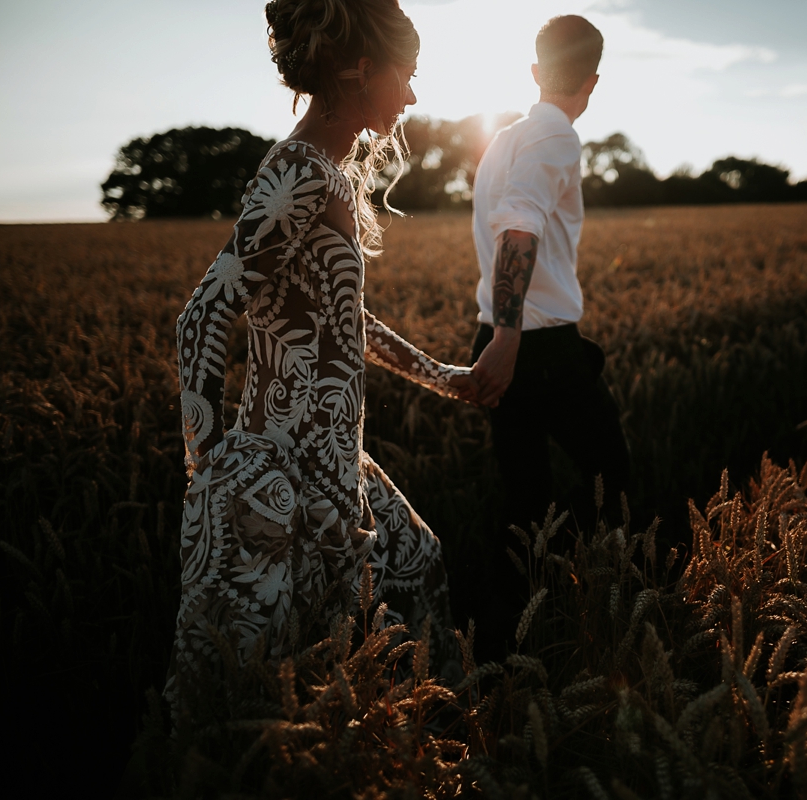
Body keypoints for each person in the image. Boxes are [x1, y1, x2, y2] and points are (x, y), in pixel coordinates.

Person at [166, 0, 477, 706]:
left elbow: (345, 320)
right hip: (287, 469)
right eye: (408, 74)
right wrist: (212, 472)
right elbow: (202, 315)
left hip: (335, 457)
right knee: (286, 675)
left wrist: (447, 379)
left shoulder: (327, 172)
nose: (413, 95)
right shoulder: (300, 171)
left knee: (415, 570)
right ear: (363, 70)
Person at [469, 15, 631, 651]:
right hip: (535, 346)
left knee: (524, 497)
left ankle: (518, 631)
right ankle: (593, 606)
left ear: (536, 73)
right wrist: (510, 340)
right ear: (593, 82)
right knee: (610, 473)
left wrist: (496, 336)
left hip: (496, 333)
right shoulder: (556, 137)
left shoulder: (503, 141)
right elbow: (518, 227)